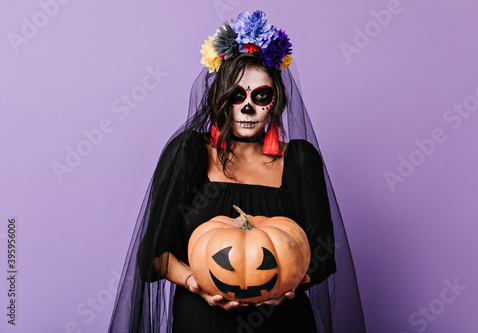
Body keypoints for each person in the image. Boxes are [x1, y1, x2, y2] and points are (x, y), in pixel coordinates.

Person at [109, 10, 366, 333]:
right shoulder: (189, 155)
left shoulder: (300, 160)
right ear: (220, 99)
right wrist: (194, 283)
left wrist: (290, 284)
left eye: (260, 96)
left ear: (276, 101)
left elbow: (324, 254)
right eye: (236, 96)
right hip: (204, 321)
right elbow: (154, 255)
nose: (247, 108)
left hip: (283, 323)